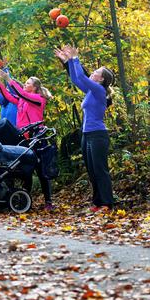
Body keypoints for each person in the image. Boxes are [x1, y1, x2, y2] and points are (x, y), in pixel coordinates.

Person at [56, 45, 115, 212]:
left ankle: (107, 203)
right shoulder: (90, 91)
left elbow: (81, 74)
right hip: (87, 135)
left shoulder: (98, 90)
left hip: (98, 135)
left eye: (96, 71)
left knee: (100, 169)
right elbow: (76, 79)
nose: (93, 72)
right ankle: (98, 202)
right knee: (91, 170)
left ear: (101, 79)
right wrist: (68, 61)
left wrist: (75, 58)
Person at [0, 69, 54, 210]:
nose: (24, 85)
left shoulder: (38, 99)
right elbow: (9, 97)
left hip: (37, 137)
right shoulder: (23, 99)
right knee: (25, 168)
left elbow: (21, 93)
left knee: (41, 170)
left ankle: (48, 202)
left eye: (27, 83)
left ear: (34, 88)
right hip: (24, 137)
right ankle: (24, 199)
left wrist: (9, 79)